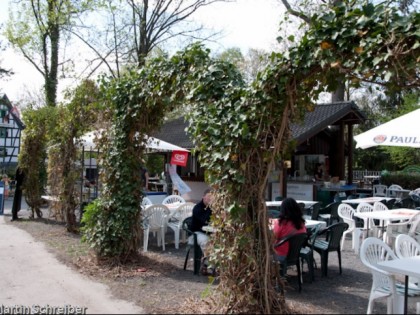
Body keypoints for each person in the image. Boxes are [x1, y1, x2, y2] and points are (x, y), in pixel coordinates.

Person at [273, 197, 307, 262]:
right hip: (296, 254)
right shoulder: (301, 222)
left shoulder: (280, 223)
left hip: (281, 255)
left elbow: (273, 238)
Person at [190, 188, 214, 275]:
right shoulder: (197, 208)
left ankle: (206, 265)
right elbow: (204, 222)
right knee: (206, 241)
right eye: (209, 197)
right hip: (196, 233)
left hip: (209, 232)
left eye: (213, 197)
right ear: (203, 197)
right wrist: (210, 207)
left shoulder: (213, 208)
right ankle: (208, 266)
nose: (211, 199)